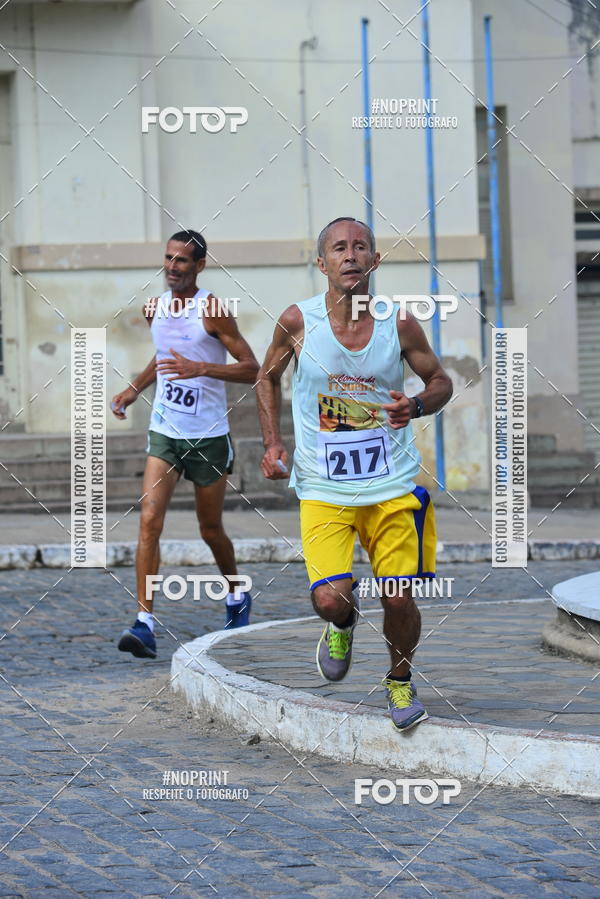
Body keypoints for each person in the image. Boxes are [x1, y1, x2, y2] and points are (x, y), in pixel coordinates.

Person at [256, 217, 453, 730]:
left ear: (374, 261)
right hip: (324, 485)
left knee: (398, 594)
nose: (350, 255)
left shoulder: (399, 323)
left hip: (393, 484)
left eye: (360, 247)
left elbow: (439, 380)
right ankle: (342, 623)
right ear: (321, 263)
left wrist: (415, 404)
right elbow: (266, 377)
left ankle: (400, 682)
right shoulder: (298, 322)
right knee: (329, 596)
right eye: (339, 248)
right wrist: (273, 441)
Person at [111, 229, 259, 658]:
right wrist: (134, 390)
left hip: (209, 437)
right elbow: (162, 359)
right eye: (169, 258)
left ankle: (236, 594)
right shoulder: (155, 308)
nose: (173, 266)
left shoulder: (212, 310)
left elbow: (252, 368)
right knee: (149, 520)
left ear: (199, 265)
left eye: (182, 260)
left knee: (210, 529)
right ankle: (144, 624)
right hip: (166, 433)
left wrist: (202, 369)